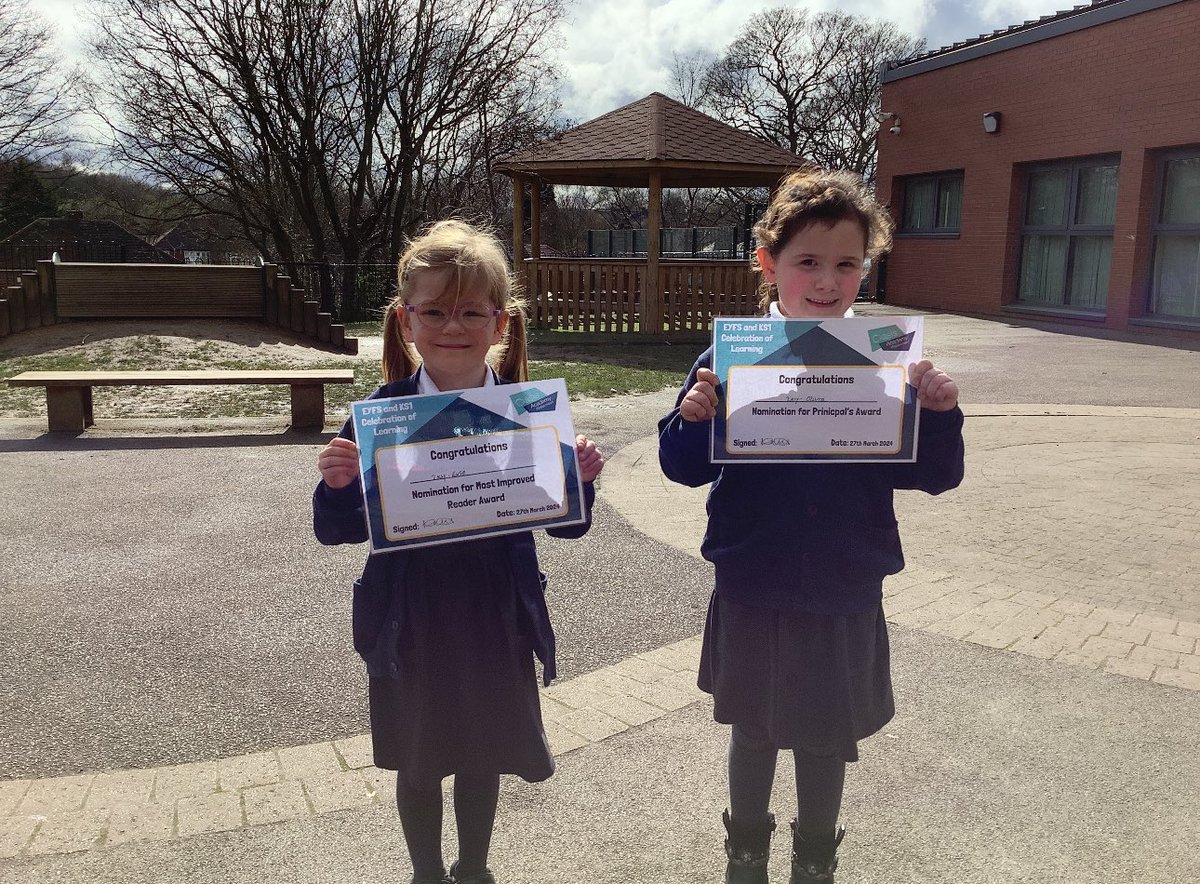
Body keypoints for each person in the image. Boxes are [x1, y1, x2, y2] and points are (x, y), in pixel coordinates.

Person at [658, 170, 964, 884]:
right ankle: (745, 849)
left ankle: (816, 854)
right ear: (767, 264)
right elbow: (683, 466)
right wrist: (693, 419)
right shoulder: (728, 356)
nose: (827, 281)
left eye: (846, 264)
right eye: (807, 262)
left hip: (843, 581)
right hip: (754, 577)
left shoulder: (886, 358)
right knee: (755, 728)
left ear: (866, 267)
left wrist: (941, 415)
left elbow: (933, 475)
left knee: (826, 735)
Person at [314, 220, 605, 884]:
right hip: (411, 622)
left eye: (471, 311)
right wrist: (336, 487)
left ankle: (473, 866)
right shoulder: (381, 414)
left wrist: (580, 482)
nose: (453, 325)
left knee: (483, 754)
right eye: (436, 310)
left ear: (499, 320)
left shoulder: (525, 411)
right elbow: (339, 531)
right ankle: (425, 873)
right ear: (405, 320)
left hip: (496, 619)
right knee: (419, 760)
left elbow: (565, 527)